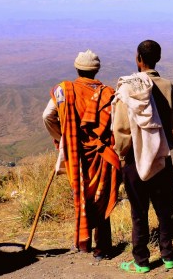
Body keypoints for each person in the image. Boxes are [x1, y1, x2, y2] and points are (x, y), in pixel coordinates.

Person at [113, 40, 173, 273]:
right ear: (158, 58)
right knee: (164, 209)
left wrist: (123, 154)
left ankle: (141, 261)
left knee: (139, 211)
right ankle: (168, 255)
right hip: (162, 157)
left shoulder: (128, 88)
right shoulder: (168, 86)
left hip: (135, 159)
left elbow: (122, 129)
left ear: (138, 59)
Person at [42, 49, 120, 261]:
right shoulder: (109, 93)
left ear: (77, 69)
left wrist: (64, 137)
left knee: (82, 196)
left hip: (76, 155)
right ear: (96, 71)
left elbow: (47, 115)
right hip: (102, 155)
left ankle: (83, 242)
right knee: (101, 198)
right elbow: (115, 126)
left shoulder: (63, 91)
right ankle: (102, 248)